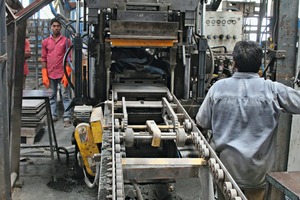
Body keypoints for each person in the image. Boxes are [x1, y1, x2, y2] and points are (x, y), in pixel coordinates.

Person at [196, 40, 300, 200]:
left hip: (226, 172)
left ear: (234, 63)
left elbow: (202, 123)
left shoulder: (218, 88)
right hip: (257, 175)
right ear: (260, 65)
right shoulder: (272, 90)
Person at [41, 18, 72, 127]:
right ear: (51, 27)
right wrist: (44, 73)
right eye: (54, 26)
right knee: (51, 95)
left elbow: (69, 58)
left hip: (62, 73)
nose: (56, 28)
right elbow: (44, 58)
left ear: (61, 27)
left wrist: (67, 72)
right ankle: (53, 115)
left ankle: (67, 116)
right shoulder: (45, 42)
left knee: (65, 95)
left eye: (58, 26)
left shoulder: (66, 41)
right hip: (50, 73)